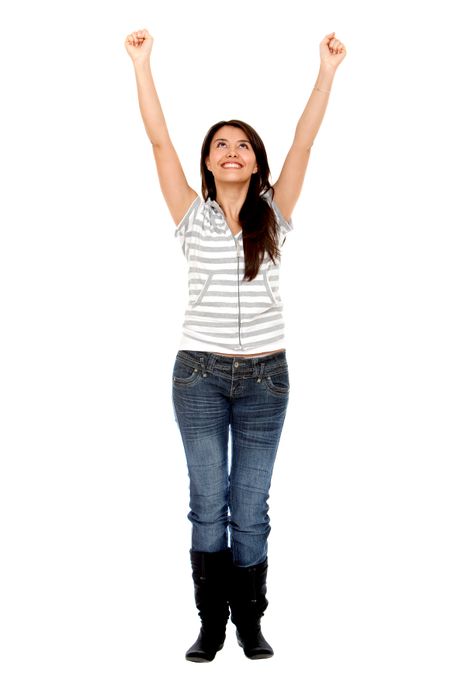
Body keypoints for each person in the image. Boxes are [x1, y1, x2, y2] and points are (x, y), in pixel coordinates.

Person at [124, 27, 346, 662]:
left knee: (250, 506)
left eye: (241, 145)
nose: (230, 151)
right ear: (207, 161)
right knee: (206, 504)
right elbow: (158, 138)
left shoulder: (274, 214)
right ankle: (210, 626)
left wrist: (325, 74)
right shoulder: (189, 214)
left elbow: (306, 140)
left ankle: (249, 621)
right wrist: (143, 65)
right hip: (197, 378)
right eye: (220, 145)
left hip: (265, 381)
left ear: (256, 161)